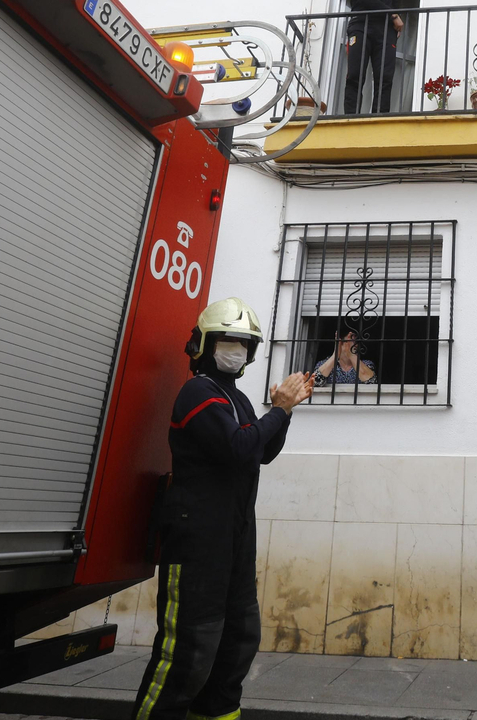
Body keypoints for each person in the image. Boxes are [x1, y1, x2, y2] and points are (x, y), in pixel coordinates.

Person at [132, 298, 316, 720]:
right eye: (227, 340)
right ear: (204, 344)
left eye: (243, 343)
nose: (235, 349)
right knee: (187, 655)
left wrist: (282, 414)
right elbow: (239, 448)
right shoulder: (198, 392)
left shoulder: (236, 398)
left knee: (237, 642)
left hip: (234, 541)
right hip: (197, 544)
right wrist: (280, 409)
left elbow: (261, 452)